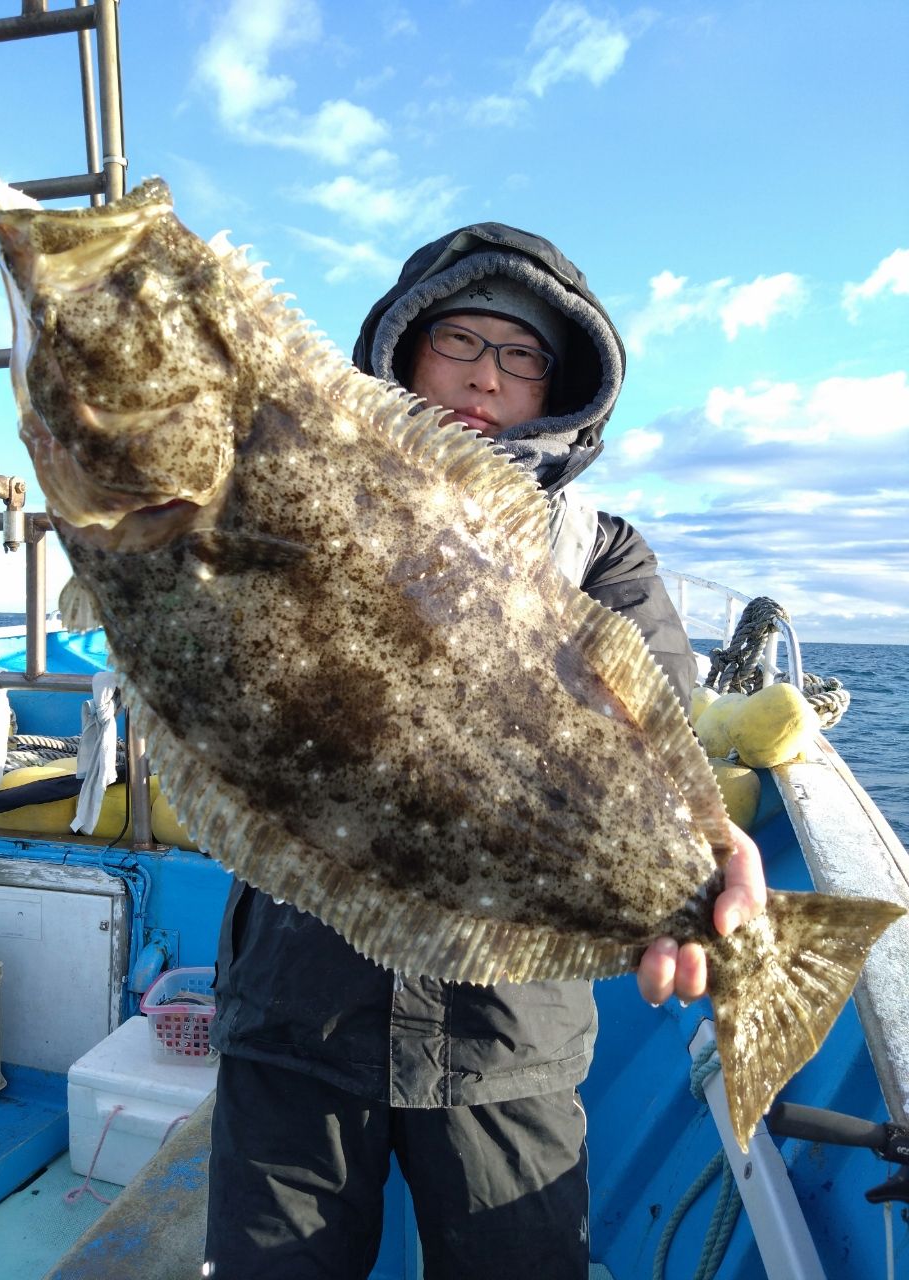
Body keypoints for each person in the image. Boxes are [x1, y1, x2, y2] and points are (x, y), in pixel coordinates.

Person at [204, 222, 767, 1278]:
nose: (485, 375)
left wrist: (703, 836)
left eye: (521, 356)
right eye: (459, 339)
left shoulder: (599, 549)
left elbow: (657, 719)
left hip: (505, 1034)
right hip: (298, 999)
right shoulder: (295, 489)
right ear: (403, 349)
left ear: (558, 390)